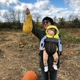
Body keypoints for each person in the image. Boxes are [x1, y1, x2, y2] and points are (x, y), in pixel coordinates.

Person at [23, 8, 62, 80]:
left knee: (53, 79)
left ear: (51, 24)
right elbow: (33, 28)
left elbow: (59, 45)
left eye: (47, 22)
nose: (45, 23)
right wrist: (29, 16)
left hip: (54, 62)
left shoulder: (57, 34)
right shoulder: (42, 33)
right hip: (44, 62)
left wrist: (59, 52)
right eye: (43, 22)